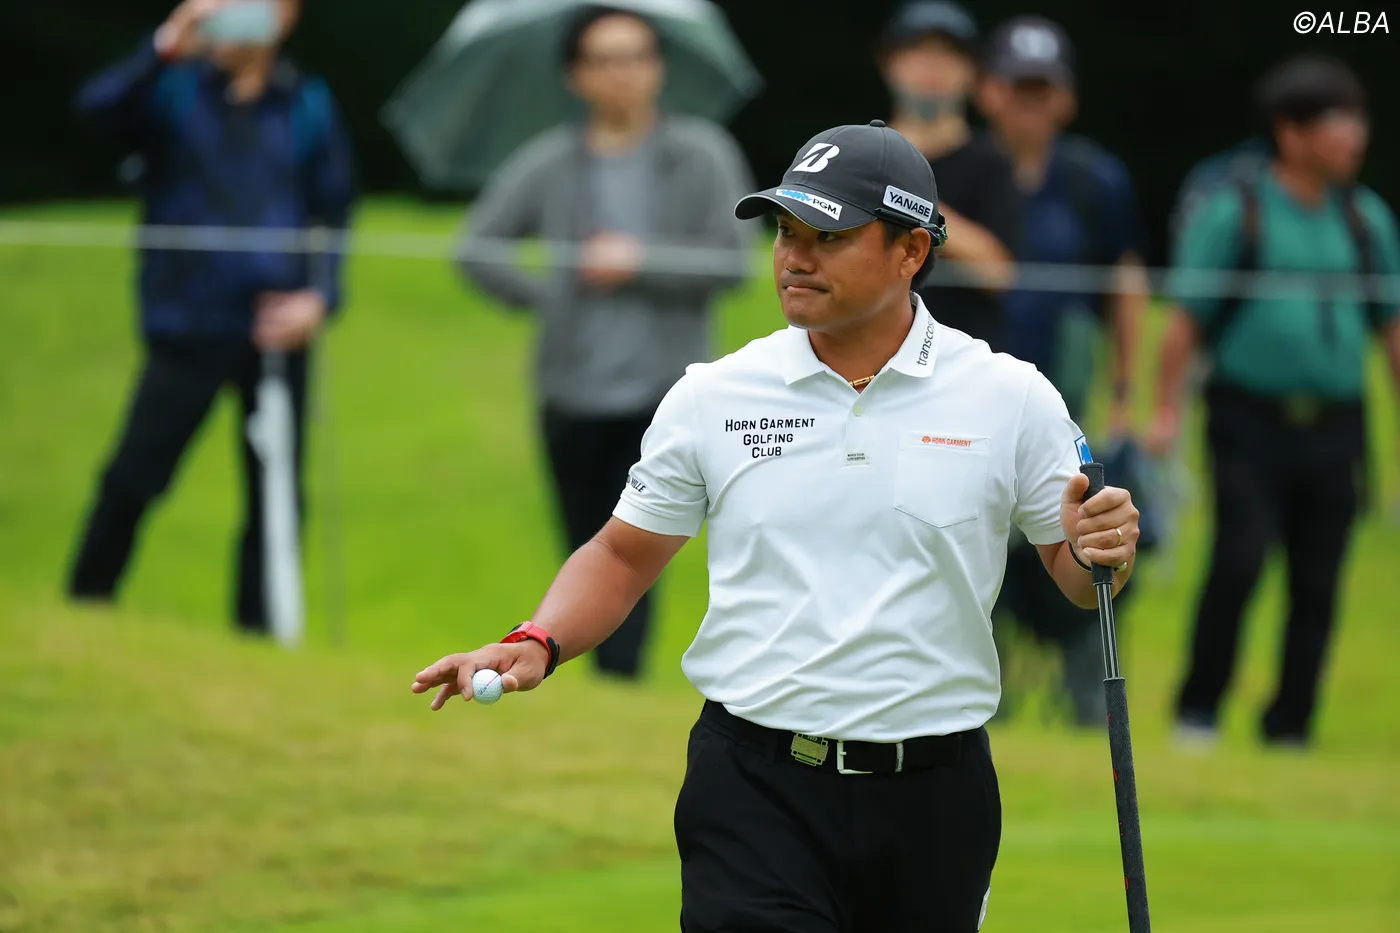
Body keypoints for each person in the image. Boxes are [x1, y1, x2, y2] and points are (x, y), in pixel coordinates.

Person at [414, 121, 1143, 932]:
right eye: (787, 233)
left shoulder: (1010, 396)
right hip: (756, 785)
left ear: (910, 251)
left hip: (936, 794)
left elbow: (1079, 579)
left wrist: (1102, 551)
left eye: (828, 237)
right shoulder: (715, 395)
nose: (796, 257)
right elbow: (621, 554)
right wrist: (538, 639)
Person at [455, 4, 754, 681]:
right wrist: (546, 295)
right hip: (570, 387)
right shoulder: (550, 161)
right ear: (576, 75)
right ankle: (594, 673)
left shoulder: (701, 154)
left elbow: (734, 260)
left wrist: (638, 260)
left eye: (637, 56)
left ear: (659, 68)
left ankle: (619, 680)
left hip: (663, 393)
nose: (623, 73)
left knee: (637, 546)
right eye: (604, 59)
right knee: (581, 542)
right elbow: (476, 246)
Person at [66, 0, 355, 634]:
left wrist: (319, 298)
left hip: (275, 330)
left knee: (275, 495)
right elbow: (95, 112)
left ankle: (259, 636)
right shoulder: (173, 90)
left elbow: (333, 212)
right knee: (135, 473)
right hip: (186, 322)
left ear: (283, 15)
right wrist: (167, 43)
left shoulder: (306, 103)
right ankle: (83, 608)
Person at [1152, 55, 1400, 748]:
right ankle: (1199, 711)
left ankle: (1291, 724)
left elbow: (1391, 329)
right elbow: (1184, 320)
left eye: (1357, 119)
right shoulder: (1238, 210)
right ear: (1290, 133)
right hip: (1248, 418)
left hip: (1337, 425)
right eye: (1336, 121)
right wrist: (1166, 411)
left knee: (1319, 579)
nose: (1354, 135)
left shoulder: (1366, 219)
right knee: (1239, 558)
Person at [975, 15, 1150, 726]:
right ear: (989, 91)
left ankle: (1085, 705)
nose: (1030, 103)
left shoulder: (1094, 180)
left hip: (1066, 399)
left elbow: (1125, 283)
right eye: (1018, 87)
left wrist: (1124, 395)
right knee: (979, 541)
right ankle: (983, 697)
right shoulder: (963, 172)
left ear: (1066, 97)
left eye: (1042, 89)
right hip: (972, 402)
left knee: (1087, 535)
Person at [879, 0, 1020, 350]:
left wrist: (910, 202)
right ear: (889, 63)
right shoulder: (861, 153)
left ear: (973, 72)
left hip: (963, 357)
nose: (932, 64)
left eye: (949, 53)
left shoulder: (993, 164)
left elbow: (999, 273)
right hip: (872, 357)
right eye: (917, 49)